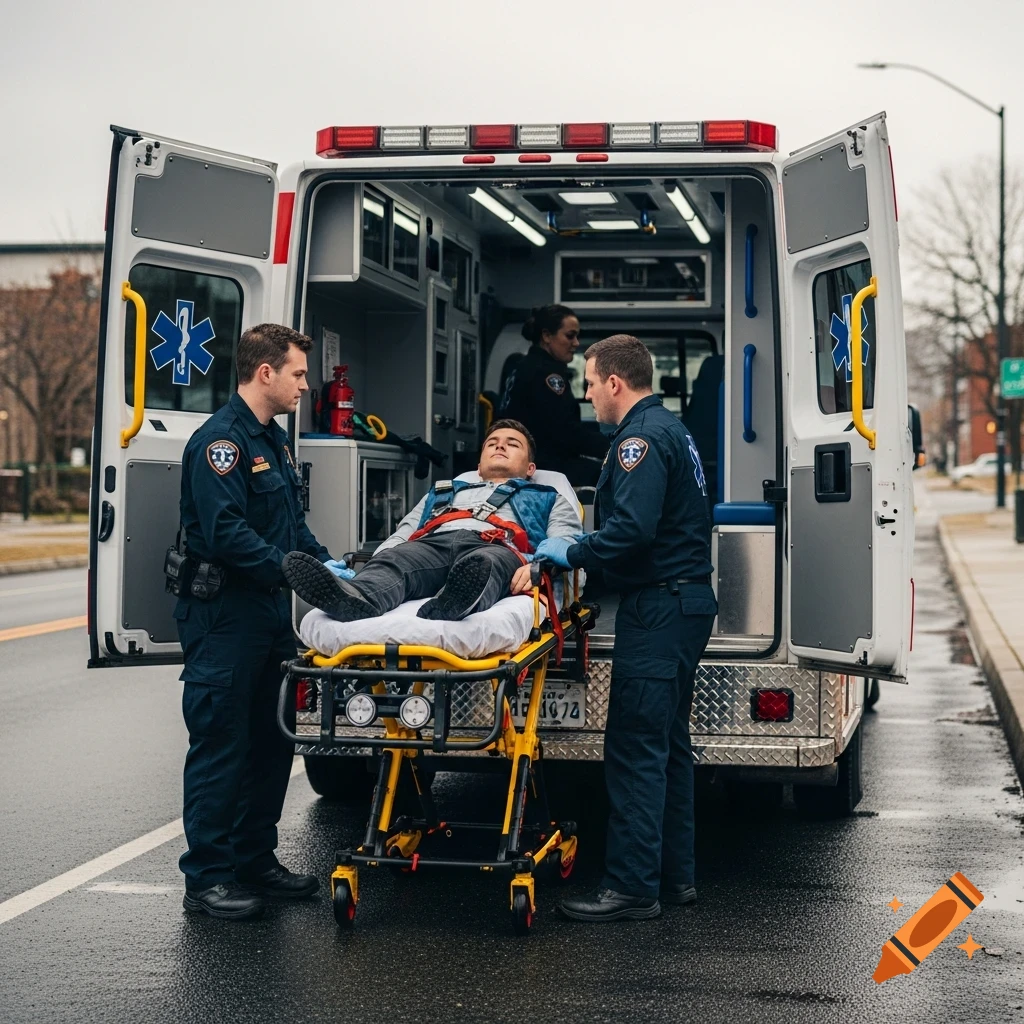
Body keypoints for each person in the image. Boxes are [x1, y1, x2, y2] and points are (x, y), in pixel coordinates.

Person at [530, 334, 718, 923]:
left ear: (615, 382)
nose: (586, 395)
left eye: (589, 383)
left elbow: (633, 530)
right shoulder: (671, 429)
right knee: (667, 749)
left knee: (635, 749)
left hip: (659, 608)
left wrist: (573, 552)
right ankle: (674, 877)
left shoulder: (638, 439)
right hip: (682, 605)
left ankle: (632, 888)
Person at [175, 323, 333, 921]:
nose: (305, 384)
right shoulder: (222, 444)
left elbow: (290, 524)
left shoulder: (273, 441)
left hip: (268, 612)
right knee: (222, 744)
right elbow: (224, 534)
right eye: (297, 373)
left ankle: (254, 860)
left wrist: (328, 566)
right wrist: (291, 570)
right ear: (264, 373)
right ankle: (208, 878)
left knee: (272, 739)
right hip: (225, 615)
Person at [282, 419, 581, 623]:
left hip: (497, 549)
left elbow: (564, 542)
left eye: (512, 444)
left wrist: (537, 567)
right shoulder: (444, 492)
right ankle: (355, 598)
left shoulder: (549, 496)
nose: (500, 446)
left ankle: (453, 602)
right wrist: (377, 561)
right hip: (432, 545)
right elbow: (405, 532)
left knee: (484, 565)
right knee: (397, 561)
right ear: (478, 467)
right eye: (492, 443)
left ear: (530, 468)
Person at [498, 304, 608, 486]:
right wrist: (611, 448)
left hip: (525, 460)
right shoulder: (547, 374)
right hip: (543, 464)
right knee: (608, 477)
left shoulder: (520, 367)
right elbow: (564, 432)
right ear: (547, 336)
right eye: (570, 336)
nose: (576, 343)